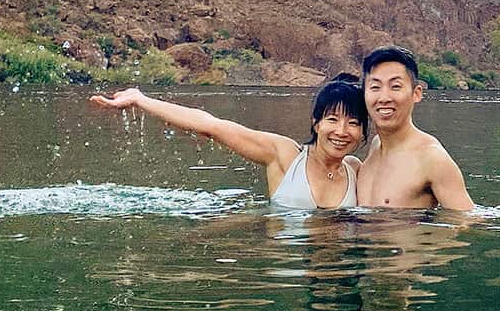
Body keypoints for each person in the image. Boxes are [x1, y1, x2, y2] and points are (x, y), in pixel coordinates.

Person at [90, 73, 367, 210]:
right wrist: (141, 100)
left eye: (353, 122)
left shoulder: (356, 171)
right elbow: (212, 126)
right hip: (286, 265)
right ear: (316, 123)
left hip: (340, 268)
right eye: (332, 119)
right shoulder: (285, 155)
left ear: (363, 132)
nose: (342, 131)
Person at [357, 46, 475, 211]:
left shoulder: (432, 158)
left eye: (396, 86)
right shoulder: (376, 147)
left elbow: (466, 221)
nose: (384, 98)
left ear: (416, 93)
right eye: (375, 87)